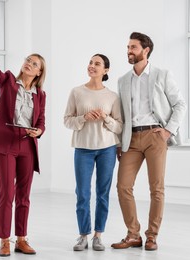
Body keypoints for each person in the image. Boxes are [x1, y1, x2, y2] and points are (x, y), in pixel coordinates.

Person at [111, 32, 186, 251]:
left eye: (133, 47)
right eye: (127, 47)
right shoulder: (123, 80)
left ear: (146, 50)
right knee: (123, 186)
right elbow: (121, 115)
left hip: (155, 136)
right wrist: (119, 143)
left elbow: (180, 104)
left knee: (156, 188)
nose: (129, 51)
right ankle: (133, 234)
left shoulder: (162, 75)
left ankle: (152, 236)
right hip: (131, 138)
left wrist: (167, 131)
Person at [0, 37, 46, 256]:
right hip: (4, 143)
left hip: (26, 146)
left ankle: (21, 239)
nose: (28, 63)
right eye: (28, 60)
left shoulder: (41, 95)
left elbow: (41, 123)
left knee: (24, 195)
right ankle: (4, 240)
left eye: (34, 63)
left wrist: (38, 131)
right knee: (6, 193)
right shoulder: (9, 81)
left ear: (39, 72)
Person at [64, 54, 123, 251]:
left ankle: (98, 235)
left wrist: (105, 117)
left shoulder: (113, 96)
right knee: (82, 193)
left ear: (105, 70)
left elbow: (119, 127)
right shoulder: (77, 92)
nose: (92, 66)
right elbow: (67, 120)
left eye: (97, 64)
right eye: (90, 62)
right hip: (83, 149)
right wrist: (84, 117)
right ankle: (83, 235)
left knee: (103, 193)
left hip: (107, 149)